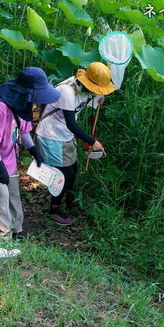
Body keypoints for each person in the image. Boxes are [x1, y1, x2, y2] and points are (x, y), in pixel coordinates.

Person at [0, 67, 60, 239]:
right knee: (0, 196)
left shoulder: (22, 102)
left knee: (13, 192)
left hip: (6, 152)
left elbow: (23, 131)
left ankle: (17, 228)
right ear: (28, 91)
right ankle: (3, 237)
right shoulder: (0, 107)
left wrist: (34, 150)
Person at [35, 62, 116, 226]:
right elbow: (71, 123)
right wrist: (93, 142)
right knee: (63, 176)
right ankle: (54, 210)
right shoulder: (67, 91)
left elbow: (81, 104)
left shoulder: (84, 88)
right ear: (88, 83)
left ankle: (70, 204)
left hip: (65, 135)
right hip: (52, 135)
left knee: (73, 171)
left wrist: (97, 100)